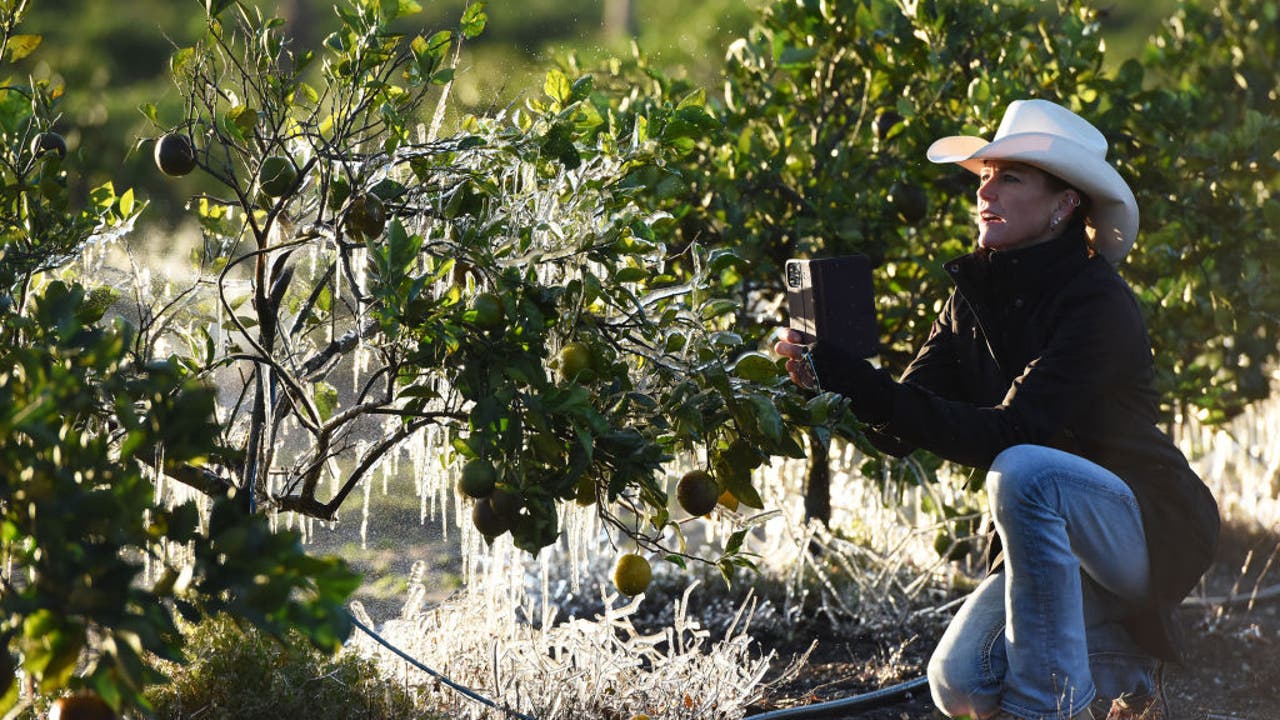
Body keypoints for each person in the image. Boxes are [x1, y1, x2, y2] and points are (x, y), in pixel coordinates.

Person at [774, 99, 1220, 720]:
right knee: (959, 682)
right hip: (1049, 538)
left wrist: (870, 389)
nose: (986, 190)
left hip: (1139, 522)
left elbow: (1015, 431)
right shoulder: (972, 296)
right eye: (984, 176)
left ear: (1065, 205)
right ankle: (1123, 667)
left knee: (1022, 468)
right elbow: (900, 429)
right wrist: (835, 379)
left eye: (1010, 177)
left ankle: (1046, 710)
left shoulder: (1098, 302)